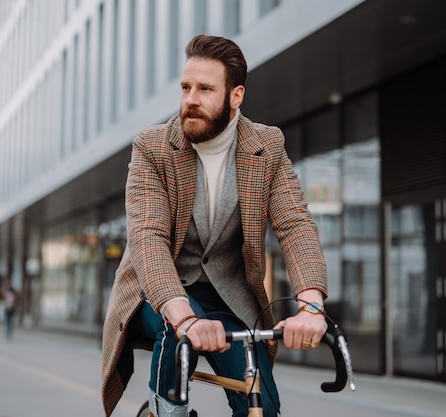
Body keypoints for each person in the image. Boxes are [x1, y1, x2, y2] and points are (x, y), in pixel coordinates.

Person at [101, 34, 328, 417]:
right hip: (157, 293)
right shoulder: (153, 147)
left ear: (235, 96)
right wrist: (185, 317)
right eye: (186, 87)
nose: (191, 99)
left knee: (262, 407)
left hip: (227, 298)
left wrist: (311, 305)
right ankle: (163, 410)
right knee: (176, 331)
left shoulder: (267, 146)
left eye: (205, 89)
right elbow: (147, 237)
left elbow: (295, 225)